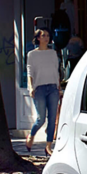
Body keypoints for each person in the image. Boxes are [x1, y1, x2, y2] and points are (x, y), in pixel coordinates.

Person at [26, 28, 61, 156]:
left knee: (52, 118)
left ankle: (48, 146)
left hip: (53, 88)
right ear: (38, 38)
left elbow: (56, 71)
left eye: (48, 35)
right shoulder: (32, 54)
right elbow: (30, 72)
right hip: (39, 88)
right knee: (41, 119)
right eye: (43, 35)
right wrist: (30, 87)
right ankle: (31, 135)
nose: (46, 38)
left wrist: (58, 87)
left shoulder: (53, 53)